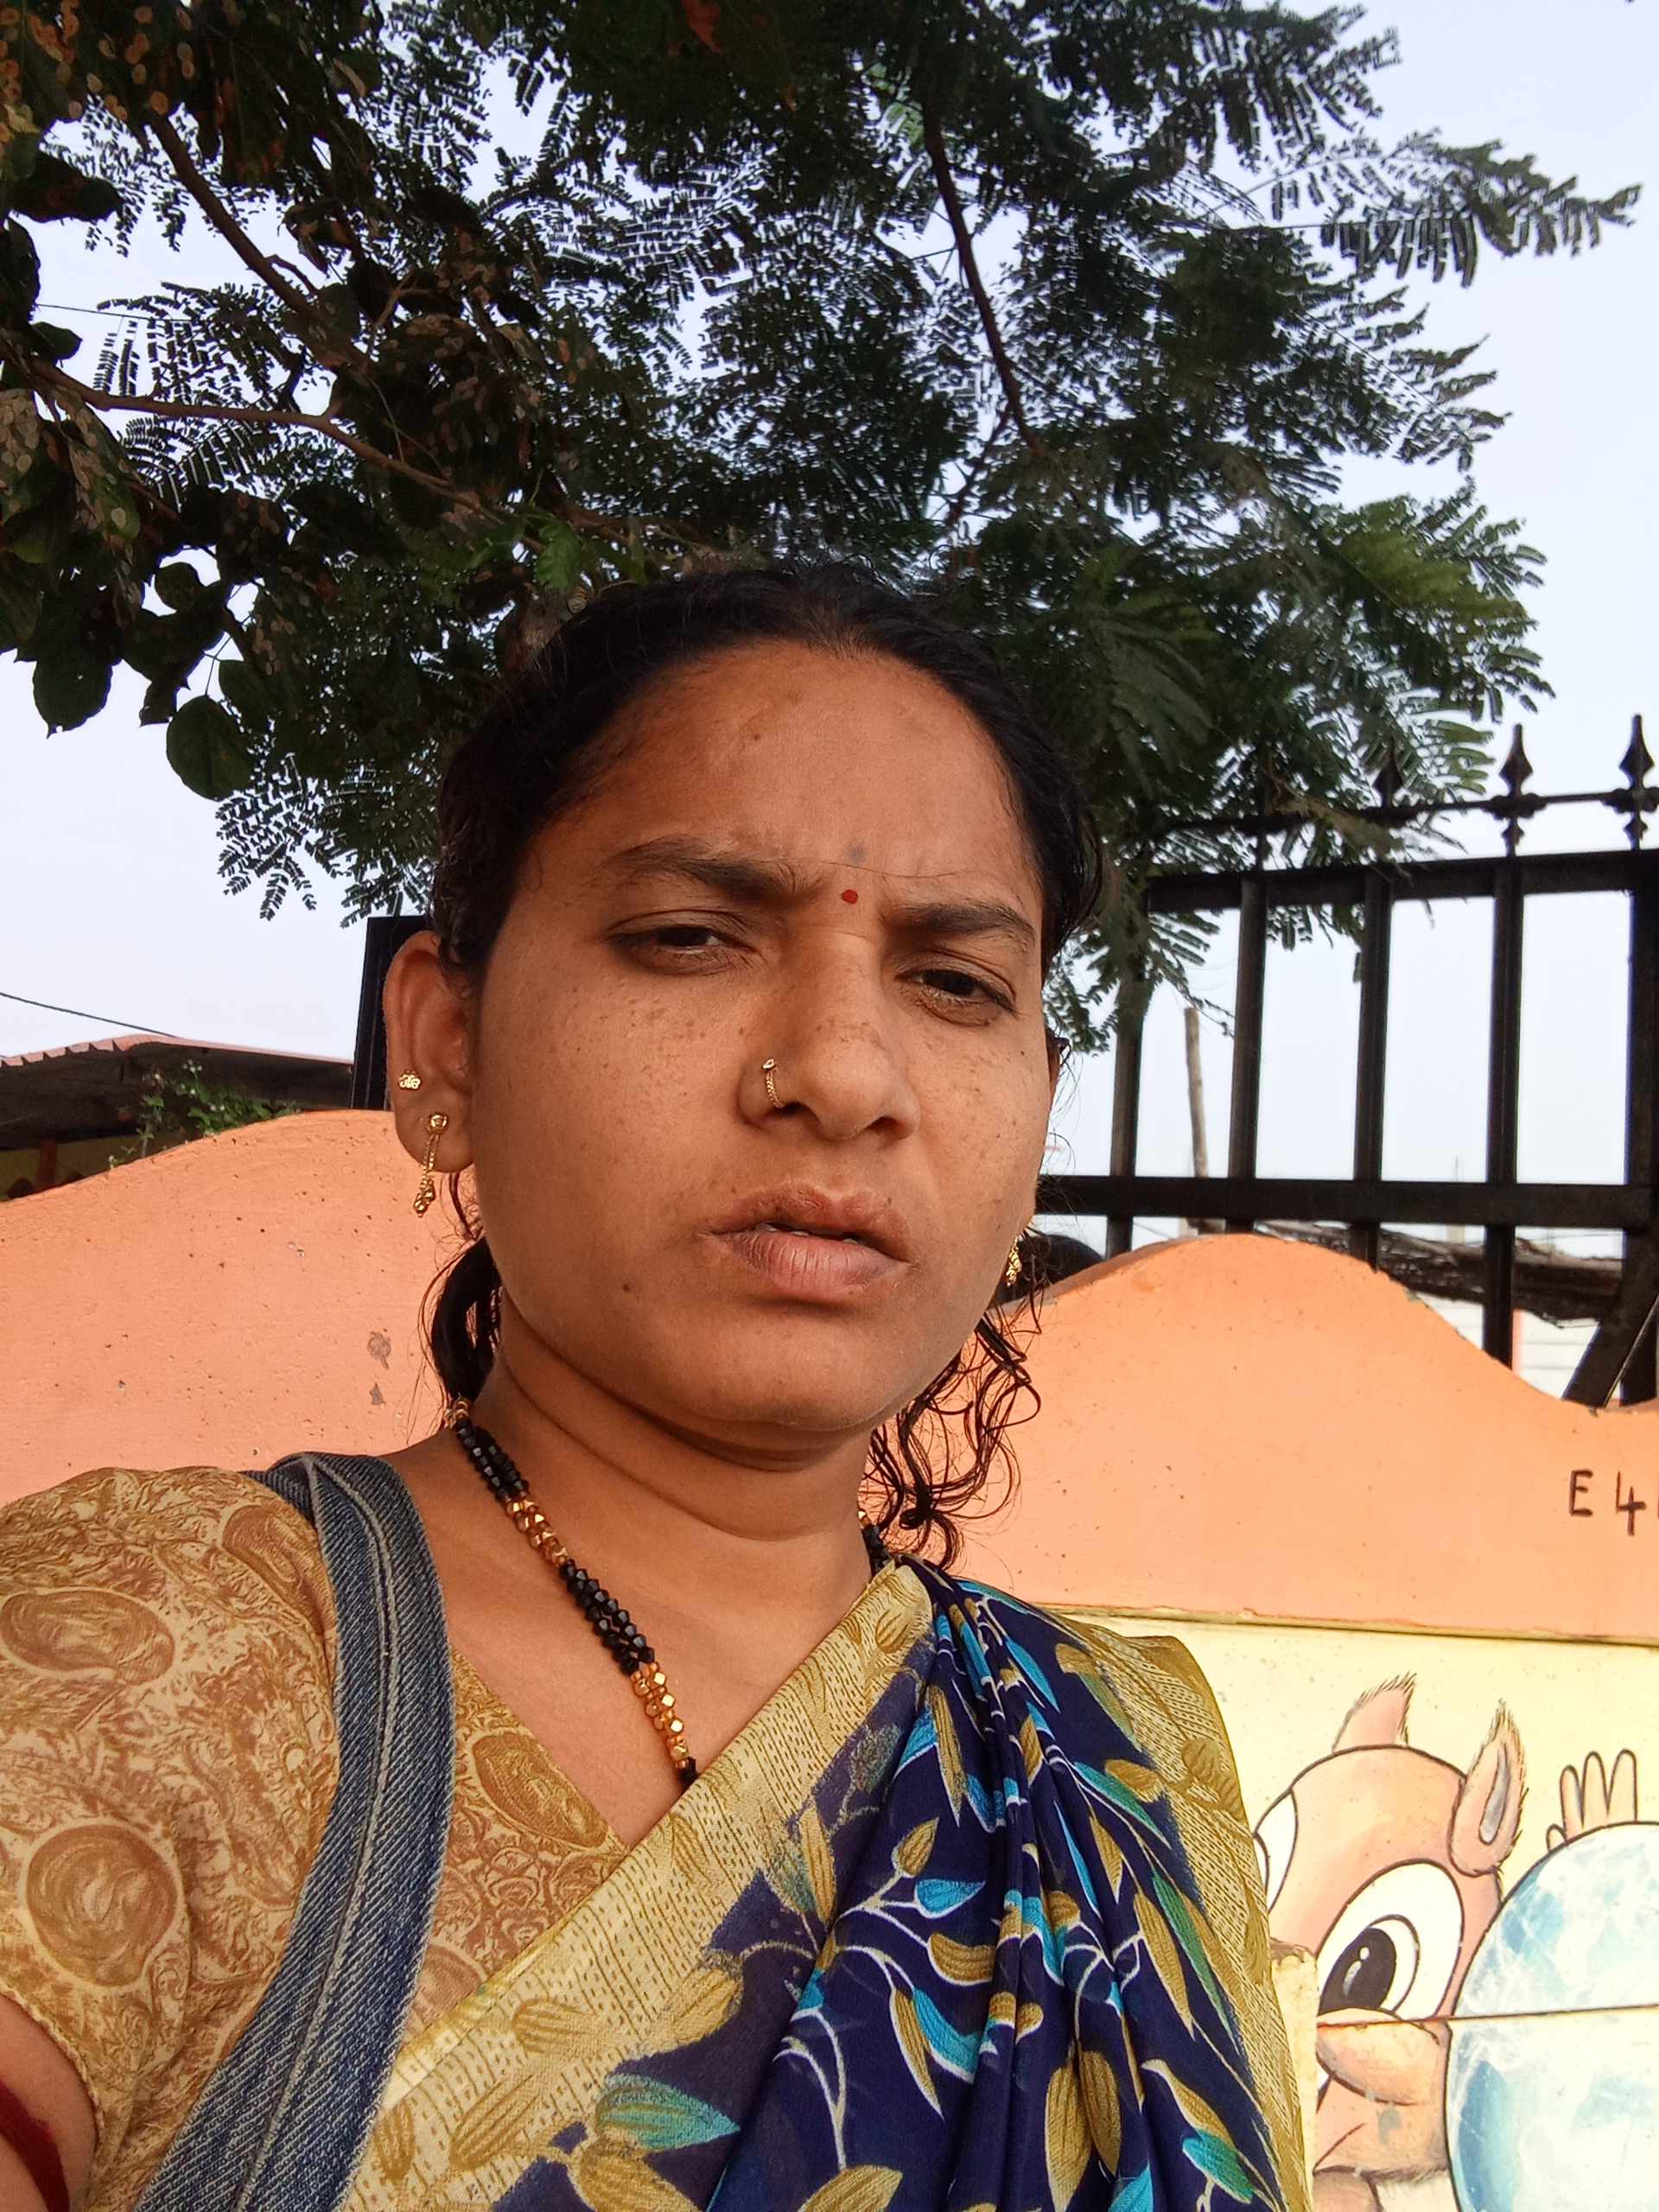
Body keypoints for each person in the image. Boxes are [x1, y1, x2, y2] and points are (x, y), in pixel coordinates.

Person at [0, 565, 1306, 2211]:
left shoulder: (1121, 1756)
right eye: (690, 937)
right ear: (447, 1045)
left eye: (956, 983)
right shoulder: (150, 1658)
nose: (845, 1074)